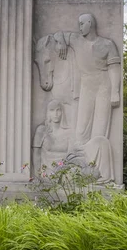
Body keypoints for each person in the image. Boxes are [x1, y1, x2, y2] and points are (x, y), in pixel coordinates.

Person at [53, 13, 120, 182]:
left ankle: (99, 173)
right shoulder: (75, 40)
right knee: (81, 130)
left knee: (99, 130)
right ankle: (80, 169)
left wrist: (115, 91)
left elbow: (114, 68)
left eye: (82, 24)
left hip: (103, 85)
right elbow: (58, 34)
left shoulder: (107, 44)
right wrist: (61, 41)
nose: (79, 27)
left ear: (90, 24)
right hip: (86, 85)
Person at [32, 99, 71, 173]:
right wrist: (38, 175)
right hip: (47, 173)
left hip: (65, 173)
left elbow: (72, 156)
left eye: (58, 110)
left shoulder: (68, 133)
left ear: (62, 112)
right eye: (52, 110)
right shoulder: (41, 130)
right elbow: (36, 155)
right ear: (48, 113)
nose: (55, 114)